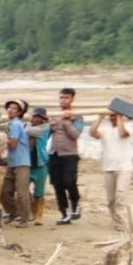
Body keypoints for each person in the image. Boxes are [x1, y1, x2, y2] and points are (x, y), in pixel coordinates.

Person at [48, 88, 84, 223]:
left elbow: (76, 134)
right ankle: (64, 213)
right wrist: (49, 126)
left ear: (72, 99)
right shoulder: (53, 115)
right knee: (57, 185)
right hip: (54, 153)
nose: (63, 100)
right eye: (61, 97)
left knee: (69, 181)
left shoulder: (78, 117)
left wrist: (67, 121)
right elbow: (46, 136)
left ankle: (76, 204)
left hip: (70, 154)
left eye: (66, 98)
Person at [90, 113, 133, 225]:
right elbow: (92, 133)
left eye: (115, 116)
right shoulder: (105, 130)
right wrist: (99, 118)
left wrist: (119, 117)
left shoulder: (129, 126)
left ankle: (120, 222)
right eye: (112, 116)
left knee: (120, 194)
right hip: (108, 167)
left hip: (124, 167)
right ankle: (115, 220)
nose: (113, 118)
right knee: (111, 199)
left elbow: (122, 133)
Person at [0, 100, 31, 228]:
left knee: (21, 191)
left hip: (21, 161)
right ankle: (14, 212)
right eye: (9, 108)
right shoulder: (10, 124)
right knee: (4, 190)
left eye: (14, 108)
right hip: (10, 162)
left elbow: (12, 144)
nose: (10, 110)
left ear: (19, 112)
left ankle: (23, 218)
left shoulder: (16, 125)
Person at [25, 108, 52, 225]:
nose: (36, 119)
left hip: (40, 164)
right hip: (27, 164)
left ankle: (38, 215)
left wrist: (26, 124)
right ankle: (31, 211)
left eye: (39, 117)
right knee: (24, 190)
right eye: (35, 117)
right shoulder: (28, 126)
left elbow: (28, 131)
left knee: (39, 192)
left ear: (43, 119)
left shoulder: (45, 128)